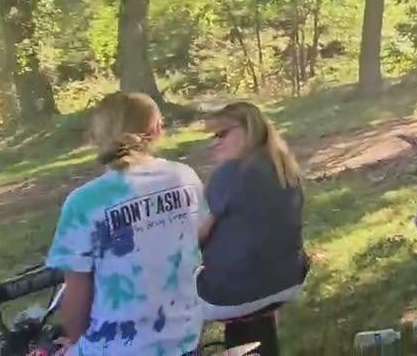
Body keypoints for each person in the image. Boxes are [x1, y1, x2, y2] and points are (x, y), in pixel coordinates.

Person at [45, 92, 204, 356]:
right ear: (155, 129)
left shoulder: (85, 202)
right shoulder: (185, 177)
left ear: (96, 136)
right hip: (183, 340)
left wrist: (75, 342)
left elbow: (76, 295)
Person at [197, 101, 307, 356]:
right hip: (287, 280)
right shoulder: (285, 168)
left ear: (248, 130)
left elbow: (195, 237)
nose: (215, 142)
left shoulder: (228, 175)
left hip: (232, 292)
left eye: (222, 134)